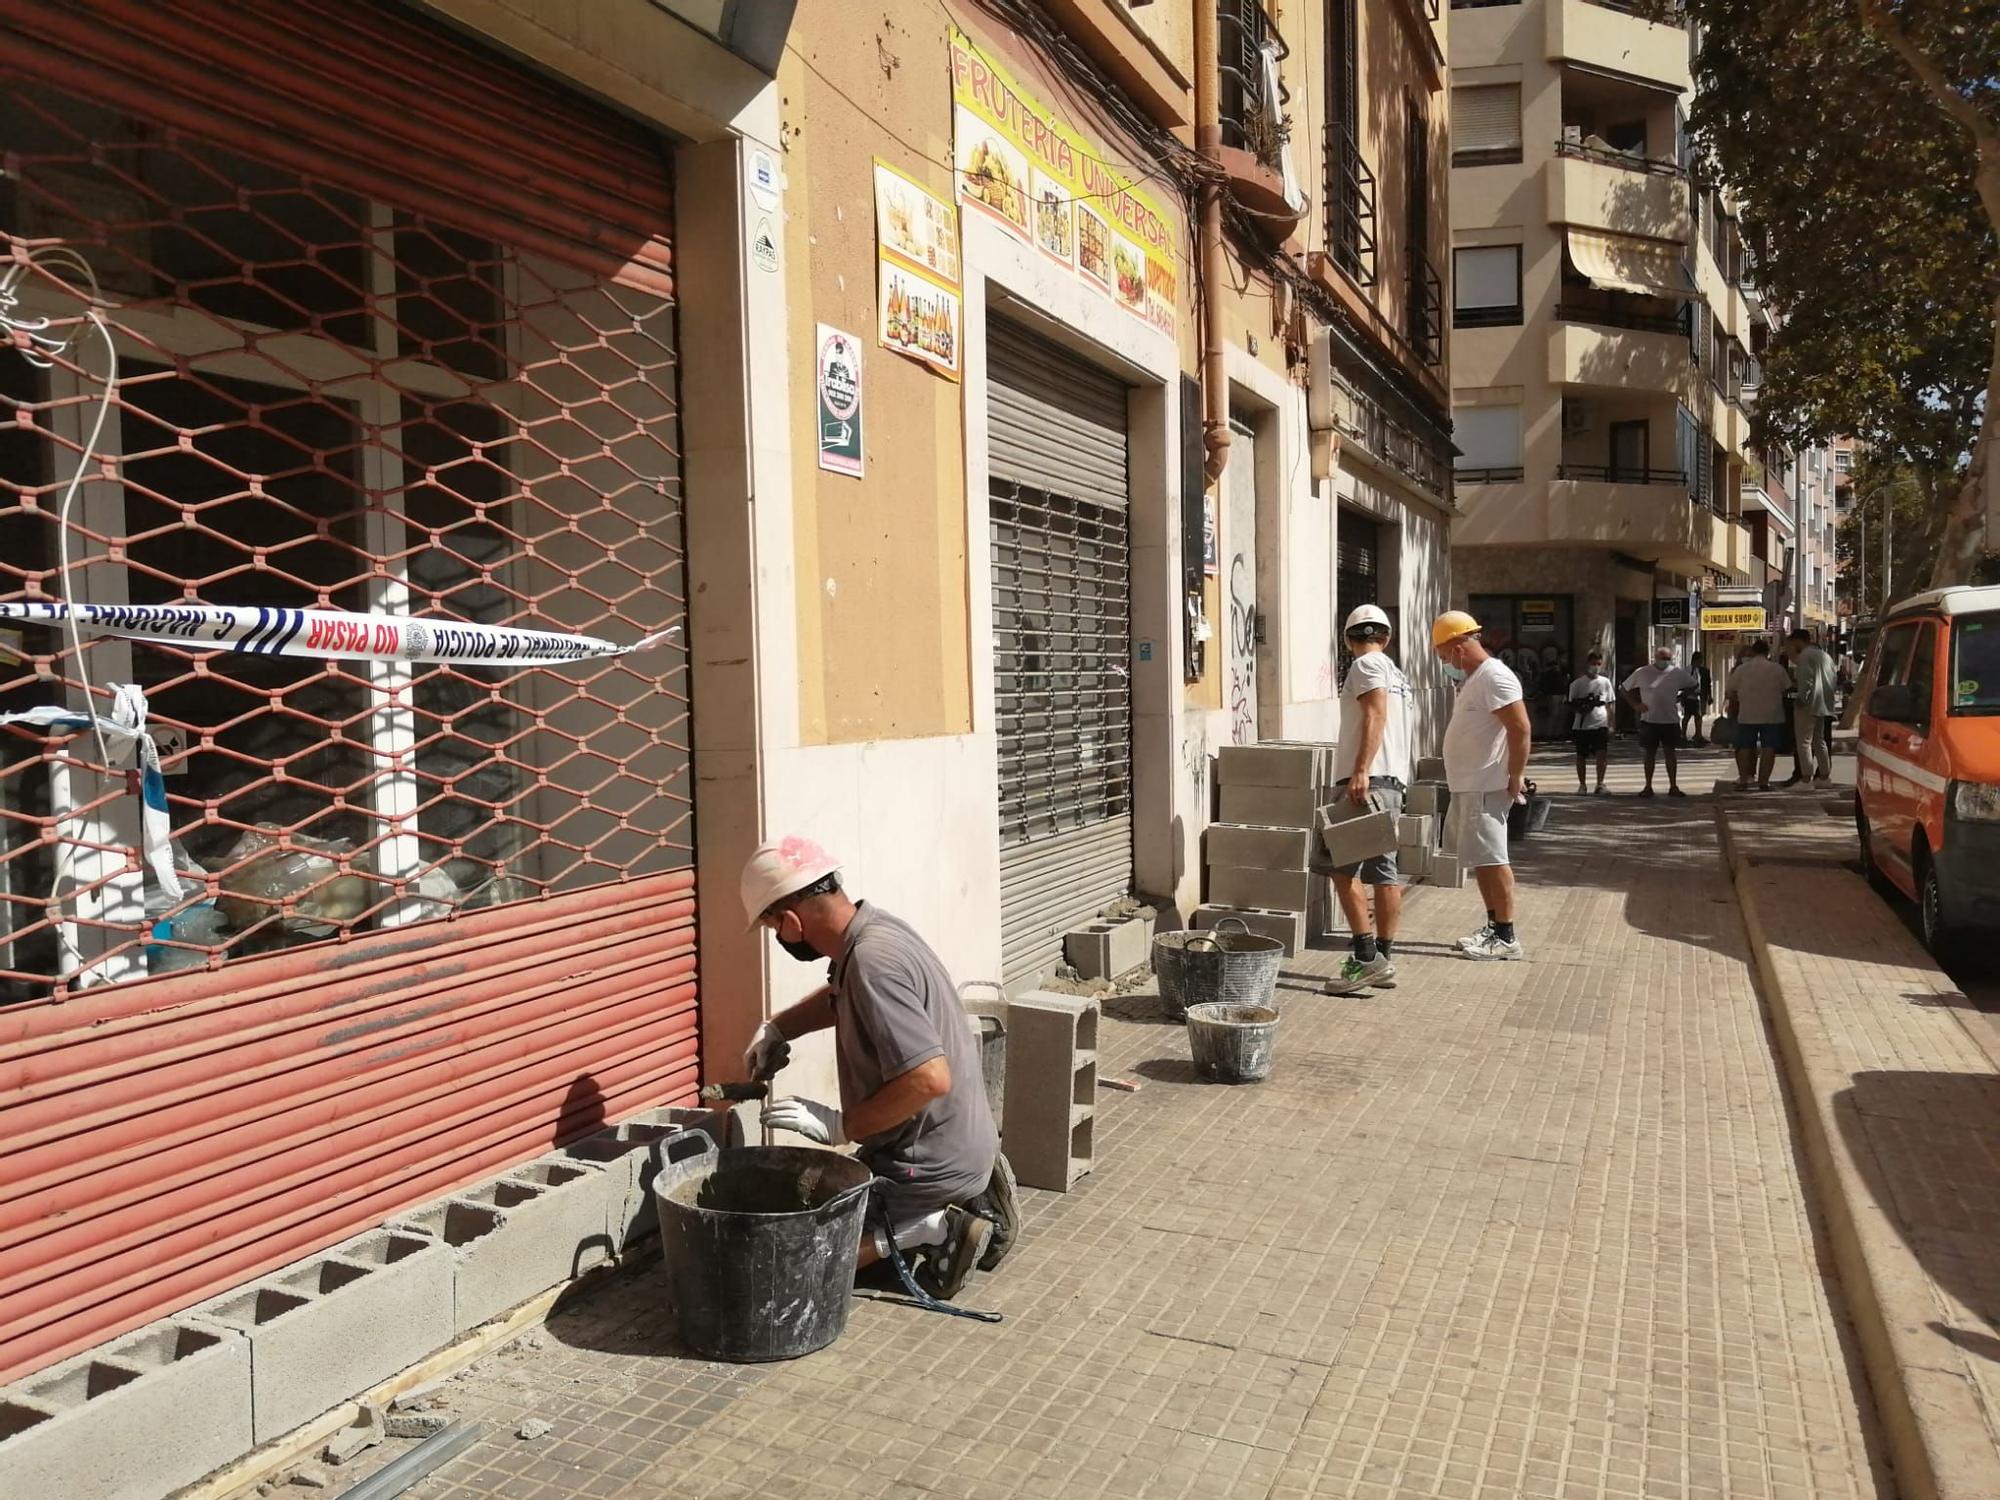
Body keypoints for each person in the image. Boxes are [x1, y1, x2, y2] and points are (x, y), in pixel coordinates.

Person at [738, 836, 1016, 1298]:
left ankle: (932, 1226)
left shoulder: (871, 963)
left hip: (925, 1161)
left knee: (796, 1266)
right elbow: (839, 1000)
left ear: (789, 920)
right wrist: (778, 1028)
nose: (779, 938)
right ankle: (964, 1190)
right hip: (962, 1138)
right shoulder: (874, 932)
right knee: (833, 1197)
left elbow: (929, 1078)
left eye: (772, 928)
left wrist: (839, 1125)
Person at [1325, 604, 1415, 996]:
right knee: (1385, 872)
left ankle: (1364, 959)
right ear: (1387, 637)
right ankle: (1383, 958)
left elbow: (1375, 715)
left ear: (1348, 641)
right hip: (1391, 783)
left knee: (1341, 870)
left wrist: (1360, 771)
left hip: (1366, 781)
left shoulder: (1365, 666)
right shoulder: (1398, 674)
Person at [1434, 611, 1532, 961]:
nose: (1446, 665)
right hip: (1471, 784)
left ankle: (1506, 935)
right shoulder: (1476, 678)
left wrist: (1516, 775)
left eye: (1445, 657)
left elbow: (1520, 728)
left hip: (1486, 783)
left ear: (1459, 648)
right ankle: (1493, 926)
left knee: (1494, 858)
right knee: (1482, 860)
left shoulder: (1494, 676)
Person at [1621, 646, 1697, 797]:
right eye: (1662, 658)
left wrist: (1681, 698)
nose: (1665, 661)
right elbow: (1623, 689)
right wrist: (1635, 705)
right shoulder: (1642, 672)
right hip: (1649, 720)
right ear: (1655, 658)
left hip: (1670, 720)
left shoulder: (1676, 672)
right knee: (1649, 753)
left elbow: (1694, 684)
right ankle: (1648, 786)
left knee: (1670, 753)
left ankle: (1673, 786)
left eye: (1667, 658)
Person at [1725, 638, 1793, 791]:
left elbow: (1730, 691)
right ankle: (1764, 782)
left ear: (1753, 651)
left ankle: (1743, 780)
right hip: (1772, 714)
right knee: (1769, 748)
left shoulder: (1742, 669)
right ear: (1767, 652)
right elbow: (1787, 688)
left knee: (1744, 747)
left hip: (1747, 713)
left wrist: (1742, 699)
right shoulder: (1777, 669)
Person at [1788, 629, 1837, 787]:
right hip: (1824, 703)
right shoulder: (1825, 656)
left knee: (1804, 742)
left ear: (1798, 641)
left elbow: (1806, 681)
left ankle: (1806, 778)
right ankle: (1824, 776)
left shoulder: (1805, 656)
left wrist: (1802, 698)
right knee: (1819, 740)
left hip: (1808, 704)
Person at [1567, 650, 1615, 795]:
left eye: (1598, 664)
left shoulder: (1605, 682)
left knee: (1601, 754)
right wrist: (1582, 706)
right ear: (1587, 664)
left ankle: (1600, 783)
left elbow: (1610, 704)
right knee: (1581, 755)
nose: (1596, 666)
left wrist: (1611, 724)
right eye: (1593, 663)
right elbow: (1571, 703)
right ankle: (1582, 785)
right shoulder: (1577, 684)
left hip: (1600, 723)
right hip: (1582, 725)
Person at [1679, 651, 1714, 745]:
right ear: (1695, 660)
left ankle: (1698, 735)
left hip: (1697, 697)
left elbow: (1707, 684)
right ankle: (1683, 735)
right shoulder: (1688, 670)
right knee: (1687, 716)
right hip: (1689, 697)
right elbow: (1684, 683)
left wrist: (1708, 696)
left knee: (1698, 716)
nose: (1701, 662)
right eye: (1700, 660)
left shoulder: (1700, 670)